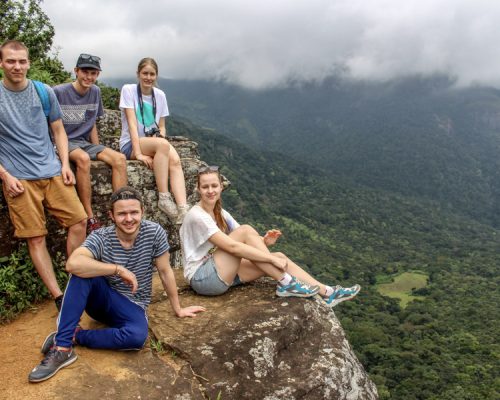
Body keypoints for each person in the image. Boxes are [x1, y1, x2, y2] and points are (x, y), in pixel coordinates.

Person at [28, 186, 205, 383]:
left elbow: (165, 271)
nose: (129, 219)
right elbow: (72, 264)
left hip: (132, 304)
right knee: (82, 273)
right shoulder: (101, 237)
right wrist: (117, 269)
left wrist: (178, 308)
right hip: (102, 300)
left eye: (134, 212)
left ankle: (75, 336)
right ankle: (62, 348)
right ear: (111, 215)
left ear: (142, 212)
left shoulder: (154, 233)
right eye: (122, 214)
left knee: (137, 337)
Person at [180, 166, 361, 305]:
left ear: (221, 187)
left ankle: (328, 293)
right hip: (203, 279)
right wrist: (269, 259)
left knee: (280, 256)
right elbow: (234, 246)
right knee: (250, 235)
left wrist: (264, 241)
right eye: (205, 187)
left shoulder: (220, 213)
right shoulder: (198, 216)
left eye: (214, 185)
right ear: (198, 189)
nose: (210, 190)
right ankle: (286, 282)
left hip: (220, 271)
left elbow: (248, 240)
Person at [0, 40, 87, 311]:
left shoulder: (42, 91)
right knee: (36, 237)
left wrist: (64, 163)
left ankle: (75, 279)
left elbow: (58, 130)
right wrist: (4, 175)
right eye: (11, 61)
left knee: (80, 221)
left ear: (29, 62)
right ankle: (59, 296)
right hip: (19, 177)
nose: (17, 66)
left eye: (22, 61)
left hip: (51, 170)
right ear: (1, 63)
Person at [54, 53, 127, 233]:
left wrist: (99, 149)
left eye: (93, 73)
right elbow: (50, 124)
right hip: (63, 141)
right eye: (85, 72)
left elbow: (91, 121)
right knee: (84, 159)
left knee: (119, 159)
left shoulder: (95, 92)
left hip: (83, 141)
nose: (89, 77)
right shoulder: (59, 92)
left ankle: (121, 208)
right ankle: (89, 215)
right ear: (76, 71)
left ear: (98, 75)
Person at [119, 57, 189, 224]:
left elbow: (162, 126)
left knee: (176, 161)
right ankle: (164, 197)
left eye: (152, 74)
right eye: (145, 73)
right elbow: (132, 125)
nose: (148, 77)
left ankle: (183, 208)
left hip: (154, 143)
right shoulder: (128, 90)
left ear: (156, 76)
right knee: (163, 145)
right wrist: (138, 154)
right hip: (131, 143)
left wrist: (160, 138)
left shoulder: (160, 95)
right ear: (138, 74)